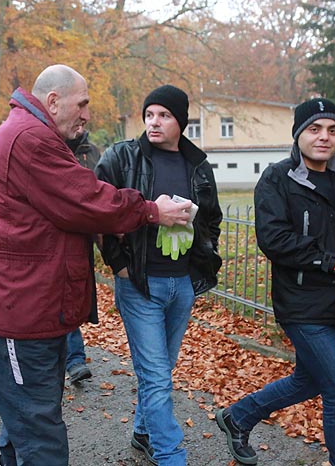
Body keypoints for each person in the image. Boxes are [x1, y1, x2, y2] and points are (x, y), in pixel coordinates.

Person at [0, 64, 193, 466]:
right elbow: (86, 200)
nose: (88, 114)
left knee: (26, 420)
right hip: (22, 312)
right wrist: (150, 211)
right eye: (83, 104)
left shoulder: (33, 133)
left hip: (34, 307)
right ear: (53, 101)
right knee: (39, 435)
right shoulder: (31, 139)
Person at [215, 98, 335, 466]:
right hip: (300, 304)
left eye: (332, 130)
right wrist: (334, 261)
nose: (324, 137)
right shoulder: (277, 178)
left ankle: (237, 417)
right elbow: (275, 241)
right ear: (298, 134)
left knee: (309, 380)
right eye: (315, 128)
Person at [95, 84, 223, 465]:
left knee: (161, 370)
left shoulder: (196, 165)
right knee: (156, 376)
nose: (154, 122)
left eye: (164, 115)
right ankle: (171, 455)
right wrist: (118, 265)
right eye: (150, 114)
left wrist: (201, 249)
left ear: (180, 122)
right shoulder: (122, 157)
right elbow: (99, 209)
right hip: (139, 283)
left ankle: (142, 431)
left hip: (181, 284)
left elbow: (212, 218)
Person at [65, 127, 101, 384]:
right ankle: (72, 359)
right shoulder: (50, 145)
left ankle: (74, 358)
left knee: (72, 294)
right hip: (57, 231)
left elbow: (100, 188)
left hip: (83, 233)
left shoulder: (91, 152)